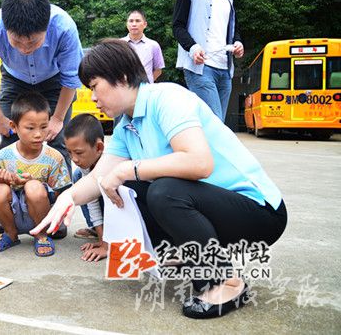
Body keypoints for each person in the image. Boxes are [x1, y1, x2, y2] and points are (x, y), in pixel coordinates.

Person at [32, 39, 287, 319]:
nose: (93, 98)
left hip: (259, 212)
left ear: (122, 77)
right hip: (216, 208)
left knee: (163, 191)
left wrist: (128, 169)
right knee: (127, 187)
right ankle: (184, 252)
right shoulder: (127, 126)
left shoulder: (167, 99)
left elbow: (199, 162)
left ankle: (226, 283)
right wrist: (67, 197)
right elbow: (99, 177)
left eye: (94, 86)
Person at [0, 0, 83, 167]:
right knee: (10, 138)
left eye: (33, 42)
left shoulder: (64, 28)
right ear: (5, 28)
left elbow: (71, 78)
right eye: (16, 42)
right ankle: (11, 185)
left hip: (55, 81)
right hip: (14, 80)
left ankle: (60, 186)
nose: (24, 49)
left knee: (59, 140)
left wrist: (57, 119)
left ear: (46, 28)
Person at [0, 92, 71, 257]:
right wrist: (2, 180)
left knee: (33, 186)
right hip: (11, 215)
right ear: (14, 126)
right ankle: (10, 233)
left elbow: (61, 194)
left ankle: (41, 235)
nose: (38, 134)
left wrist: (35, 184)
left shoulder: (54, 157)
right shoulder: (3, 156)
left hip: (44, 215)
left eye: (44, 127)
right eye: (30, 128)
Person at [172, 0, 244, 122]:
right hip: (200, 68)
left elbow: (233, 27)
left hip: (225, 69)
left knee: (214, 124)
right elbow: (177, 26)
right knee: (214, 122)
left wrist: (238, 42)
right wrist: (193, 47)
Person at [64, 113, 107, 262]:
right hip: (103, 206)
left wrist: (107, 245)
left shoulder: (112, 163)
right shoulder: (86, 166)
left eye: (78, 153)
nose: (74, 159)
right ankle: (98, 230)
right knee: (79, 177)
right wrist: (102, 240)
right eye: (69, 152)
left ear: (99, 147)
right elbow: (92, 202)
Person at [121, 10, 164, 84]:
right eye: (131, 21)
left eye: (137, 21)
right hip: (124, 88)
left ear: (145, 24)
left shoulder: (153, 45)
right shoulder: (119, 44)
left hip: (146, 88)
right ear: (127, 24)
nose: (134, 24)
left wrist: (147, 83)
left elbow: (158, 70)